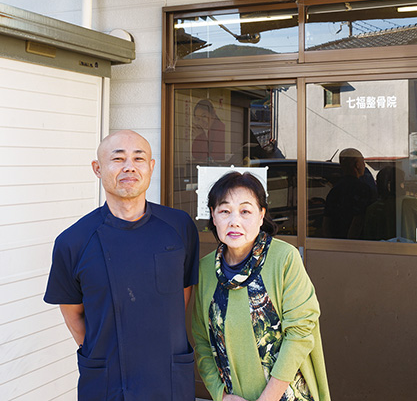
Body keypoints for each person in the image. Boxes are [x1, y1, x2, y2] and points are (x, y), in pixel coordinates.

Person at [44, 129, 199, 401]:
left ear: (151, 167)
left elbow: (182, 294)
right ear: (98, 169)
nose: (129, 166)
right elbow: (73, 314)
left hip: (169, 377)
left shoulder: (179, 226)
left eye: (139, 159)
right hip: (107, 382)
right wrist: (101, 354)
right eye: (118, 159)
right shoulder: (73, 241)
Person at [192, 171, 330, 401]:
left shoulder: (284, 258)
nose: (234, 221)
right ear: (213, 217)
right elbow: (202, 342)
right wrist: (221, 395)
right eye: (224, 211)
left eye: (245, 211)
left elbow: (300, 331)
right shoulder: (205, 270)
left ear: (261, 215)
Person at [323, 148, 375, 239]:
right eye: (363, 162)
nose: (364, 165)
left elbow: (326, 222)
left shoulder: (334, 190)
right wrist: (350, 243)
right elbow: (358, 221)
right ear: (357, 165)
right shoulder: (363, 189)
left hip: (336, 243)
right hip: (355, 245)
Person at [192, 99, 225, 163]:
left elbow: (212, 159)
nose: (201, 122)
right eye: (198, 119)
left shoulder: (220, 129)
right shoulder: (211, 130)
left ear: (213, 113)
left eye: (204, 116)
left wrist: (201, 136)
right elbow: (196, 155)